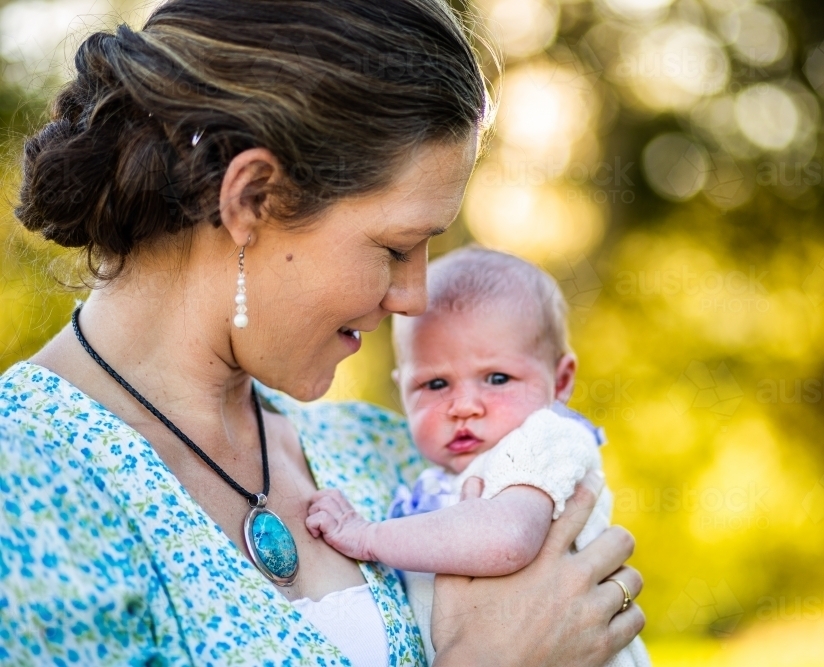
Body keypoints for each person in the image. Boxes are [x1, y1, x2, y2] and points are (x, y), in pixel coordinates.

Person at [0, 0, 644, 665]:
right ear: (251, 199)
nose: (413, 297)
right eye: (396, 248)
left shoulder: (388, 454)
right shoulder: (25, 491)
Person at [306, 247, 651, 667]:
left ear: (559, 381)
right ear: (403, 392)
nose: (464, 405)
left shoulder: (546, 438)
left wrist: (367, 537)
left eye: (497, 378)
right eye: (435, 384)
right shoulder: (429, 479)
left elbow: (508, 539)